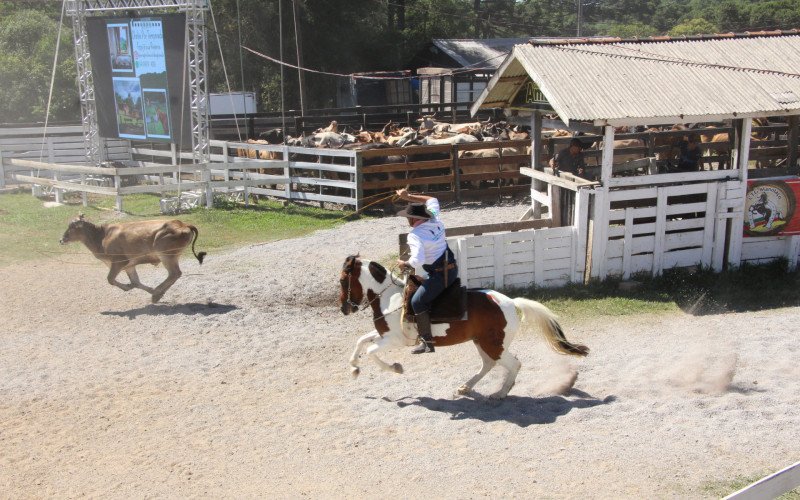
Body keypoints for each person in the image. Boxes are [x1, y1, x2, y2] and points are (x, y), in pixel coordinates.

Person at [395, 188, 458, 354]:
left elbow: (418, 260)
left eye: (409, 217)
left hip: (439, 274)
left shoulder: (415, 235)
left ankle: (427, 341)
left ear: (414, 218)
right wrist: (408, 196)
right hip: (450, 269)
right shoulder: (435, 218)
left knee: (417, 302)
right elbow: (432, 198)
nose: (407, 219)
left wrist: (404, 263)